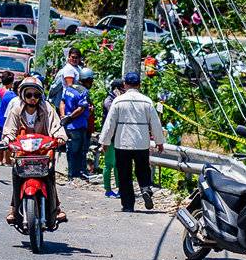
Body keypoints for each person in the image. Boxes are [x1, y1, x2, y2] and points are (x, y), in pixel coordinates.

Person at [0, 75, 67, 224]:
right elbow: (9, 130)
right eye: (29, 95)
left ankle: (56, 208)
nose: (33, 98)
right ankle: (13, 208)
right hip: (22, 153)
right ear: (23, 94)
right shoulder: (16, 110)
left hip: (43, 152)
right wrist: (6, 140)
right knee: (17, 177)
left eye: (36, 95)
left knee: (49, 177)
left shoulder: (47, 108)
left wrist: (60, 137)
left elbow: (55, 126)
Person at [98, 71, 166, 213]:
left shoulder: (118, 101)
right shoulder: (147, 101)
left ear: (125, 85)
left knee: (124, 174)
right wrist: (159, 142)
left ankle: (128, 205)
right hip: (141, 143)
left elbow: (110, 123)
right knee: (143, 169)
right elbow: (155, 124)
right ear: (139, 85)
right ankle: (145, 188)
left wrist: (104, 142)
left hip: (122, 143)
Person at [58, 67, 94, 179]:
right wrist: (70, 117)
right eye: (91, 81)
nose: (92, 83)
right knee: (79, 151)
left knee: (70, 151)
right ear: (87, 80)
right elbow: (81, 109)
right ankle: (76, 175)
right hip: (78, 126)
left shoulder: (69, 88)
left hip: (68, 126)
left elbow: (62, 102)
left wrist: (63, 116)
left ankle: (71, 174)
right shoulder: (83, 91)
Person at [101, 77, 123, 198]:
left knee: (117, 165)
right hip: (110, 137)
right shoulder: (109, 101)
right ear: (116, 89)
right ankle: (108, 189)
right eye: (122, 89)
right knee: (109, 164)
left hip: (118, 136)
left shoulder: (117, 100)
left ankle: (120, 188)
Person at [0, 72, 17, 166]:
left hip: (0, 117)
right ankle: (7, 160)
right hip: (8, 119)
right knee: (8, 139)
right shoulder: (11, 95)